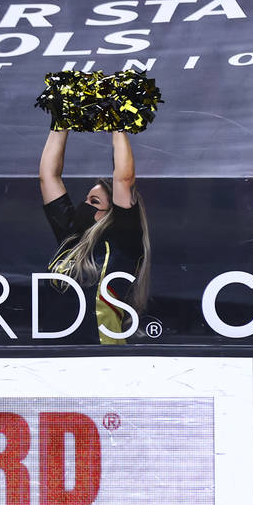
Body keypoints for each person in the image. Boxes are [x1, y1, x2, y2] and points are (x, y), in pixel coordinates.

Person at [38, 130, 151, 344]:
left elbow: (124, 179)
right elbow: (48, 176)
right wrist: (60, 122)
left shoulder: (125, 242)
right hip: (53, 354)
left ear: (113, 212)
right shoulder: (72, 238)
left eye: (95, 201)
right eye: (87, 199)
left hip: (102, 354)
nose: (85, 205)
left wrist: (117, 125)